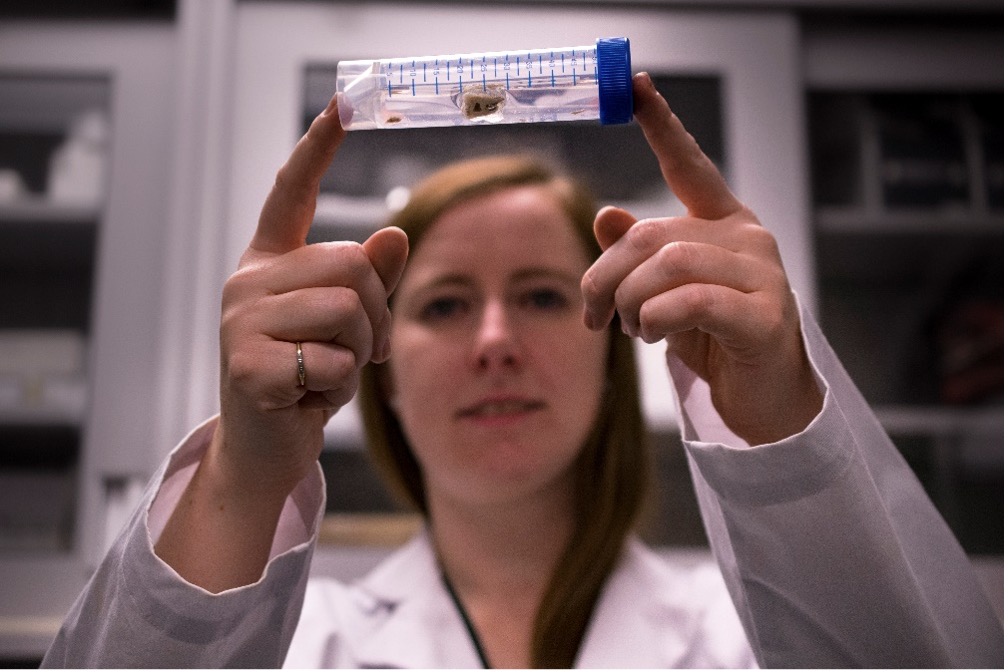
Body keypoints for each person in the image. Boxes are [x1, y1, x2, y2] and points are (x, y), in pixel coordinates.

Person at [42, 73, 1000, 669]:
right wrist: (245, 476)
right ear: (382, 363)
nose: (494, 341)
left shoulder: (742, 635)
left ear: (611, 337)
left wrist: (782, 411)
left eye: (544, 296)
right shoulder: (304, 648)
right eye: (446, 304)